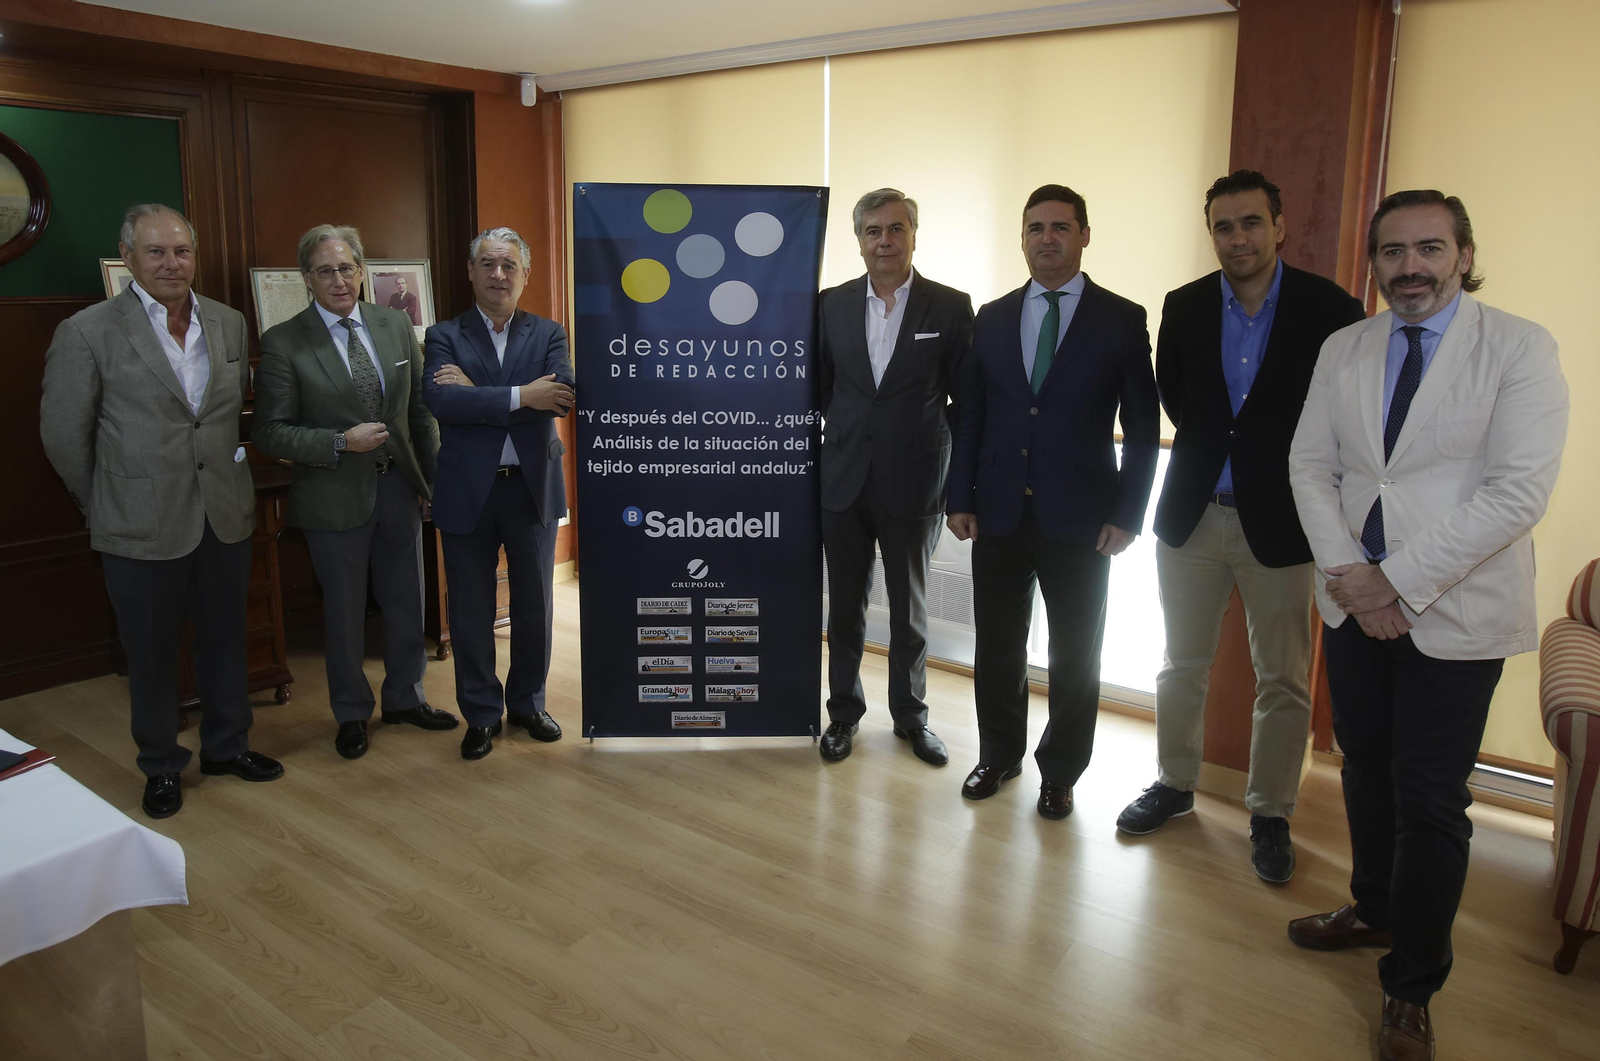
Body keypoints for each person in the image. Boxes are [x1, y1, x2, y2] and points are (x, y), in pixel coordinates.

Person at [1287, 190, 1568, 1061]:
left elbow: (1516, 492)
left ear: (1463, 252)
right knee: (1360, 767)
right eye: (1392, 252)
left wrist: (1395, 583)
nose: (1410, 267)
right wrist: (1356, 583)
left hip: (1455, 614)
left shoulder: (1519, 347)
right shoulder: (1346, 346)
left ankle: (1412, 981)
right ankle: (1373, 904)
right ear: (1373, 262)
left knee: (1433, 801)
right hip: (1353, 602)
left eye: (1429, 249)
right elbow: (1310, 463)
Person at [1116, 170, 1366, 883]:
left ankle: (1270, 811)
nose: (1238, 238)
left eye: (1251, 222)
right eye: (1224, 226)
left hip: (1285, 522)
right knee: (1180, 662)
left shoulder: (1331, 308)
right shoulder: (1185, 304)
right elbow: (1178, 399)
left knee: (1283, 677)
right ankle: (1173, 783)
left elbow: (1346, 414)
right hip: (1192, 515)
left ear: (1279, 226)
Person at [40, 203, 283, 817]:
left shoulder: (228, 323)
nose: (171, 263)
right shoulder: (87, 331)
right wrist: (103, 503)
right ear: (129, 257)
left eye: (181, 251)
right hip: (138, 523)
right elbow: (64, 436)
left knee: (226, 639)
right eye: (156, 252)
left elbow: (223, 419)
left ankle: (227, 747)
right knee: (150, 654)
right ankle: (161, 765)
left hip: (222, 514)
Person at [946, 184, 1159, 819]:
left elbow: (1145, 427)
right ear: (1022, 238)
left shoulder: (1121, 319)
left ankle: (1060, 772)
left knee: (1075, 658)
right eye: (1036, 227)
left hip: (1084, 522)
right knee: (999, 649)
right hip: (1000, 514)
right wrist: (960, 496)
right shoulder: (993, 316)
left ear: (1084, 235)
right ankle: (999, 754)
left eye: (1061, 227)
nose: (1047, 239)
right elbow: (972, 414)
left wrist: (1128, 512)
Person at [253, 224, 454, 761]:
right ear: (307, 279)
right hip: (332, 496)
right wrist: (339, 441)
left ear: (362, 271)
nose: (339, 280)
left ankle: (406, 699)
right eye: (325, 271)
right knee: (343, 612)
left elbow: (418, 412)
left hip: (398, 490)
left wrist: (432, 482)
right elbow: (269, 432)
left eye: (347, 268)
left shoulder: (394, 325)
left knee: (407, 602)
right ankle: (350, 713)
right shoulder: (284, 342)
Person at [815, 188, 974, 766]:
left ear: (913, 235)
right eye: (874, 231)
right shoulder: (830, 304)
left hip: (916, 481)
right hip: (844, 478)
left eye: (896, 229)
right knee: (846, 607)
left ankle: (911, 718)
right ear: (859, 241)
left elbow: (966, 404)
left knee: (910, 609)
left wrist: (961, 484)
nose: (886, 240)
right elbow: (824, 390)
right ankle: (842, 714)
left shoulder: (950, 306)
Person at [424, 226, 574, 760]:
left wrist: (482, 395)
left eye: (509, 265)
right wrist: (520, 395)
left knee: (535, 607)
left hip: (531, 490)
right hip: (468, 492)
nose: (498, 274)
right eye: (488, 263)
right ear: (471, 271)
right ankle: (481, 714)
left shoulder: (550, 333)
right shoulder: (444, 335)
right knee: (469, 610)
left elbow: (559, 398)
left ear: (525, 274)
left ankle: (529, 704)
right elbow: (442, 403)